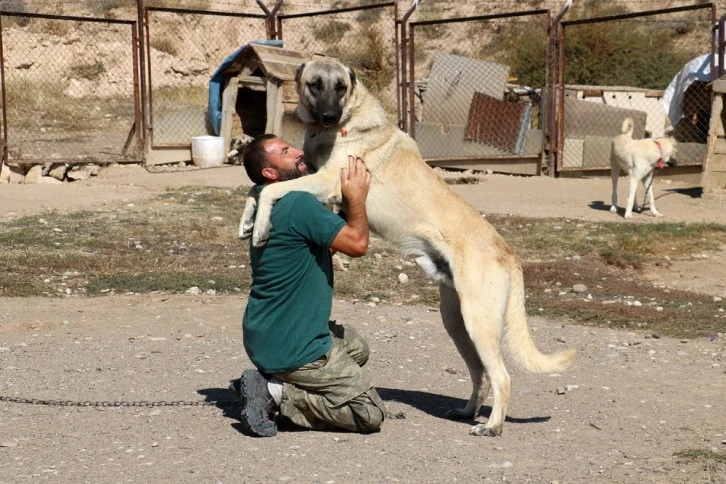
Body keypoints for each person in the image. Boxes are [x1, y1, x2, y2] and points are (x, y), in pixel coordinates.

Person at [229, 134, 385, 437]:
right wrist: (356, 199)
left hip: (267, 334)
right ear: (271, 174)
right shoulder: (298, 202)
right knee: (368, 413)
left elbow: (321, 247)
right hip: (295, 345)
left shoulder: (265, 200)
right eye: (286, 152)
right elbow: (358, 244)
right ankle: (276, 393)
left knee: (357, 348)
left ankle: (276, 376)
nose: (299, 152)